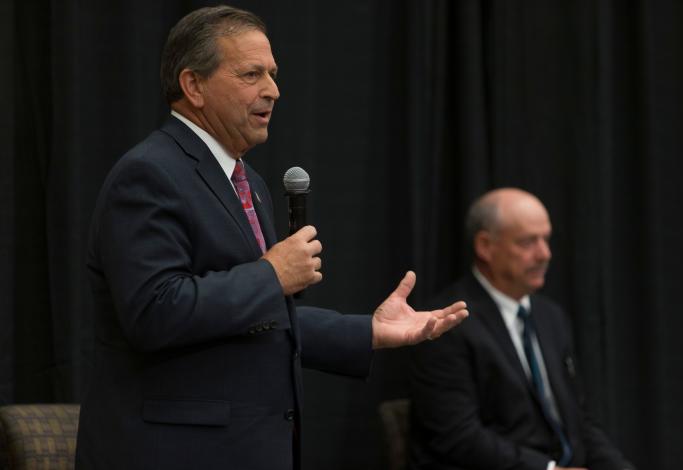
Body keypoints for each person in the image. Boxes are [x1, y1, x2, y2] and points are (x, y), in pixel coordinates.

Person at [74, 6, 468, 470]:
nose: (273, 90)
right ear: (193, 85)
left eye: (274, 74)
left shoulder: (248, 182)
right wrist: (272, 274)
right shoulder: (149, 174)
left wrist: (368, 331)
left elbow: (254, 323)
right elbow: (155, 311)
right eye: (251, 74)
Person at [409, 188, 634, 470]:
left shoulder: (551, 317)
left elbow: (578, 422)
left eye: (546, 239)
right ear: (485, 246)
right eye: (528, 242)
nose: (545, 254)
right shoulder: (446, 323)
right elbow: (458, 437)